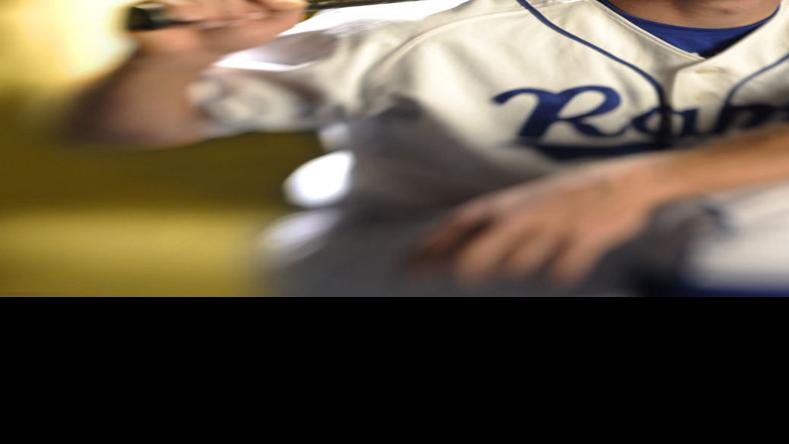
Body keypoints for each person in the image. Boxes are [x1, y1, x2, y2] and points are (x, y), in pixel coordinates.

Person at [66, 0, 789, 296]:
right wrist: (169, 62)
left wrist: (627, 186)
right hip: (418, 253)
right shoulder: (424, 30)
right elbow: (111, 129)